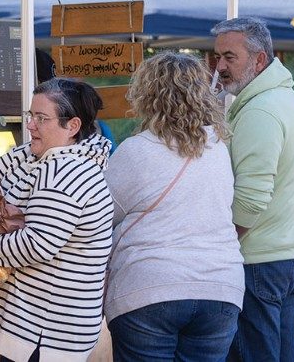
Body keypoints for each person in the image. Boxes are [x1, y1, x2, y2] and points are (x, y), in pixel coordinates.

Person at [0, 78, 112, 362]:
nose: (30, 125)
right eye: (30, 115)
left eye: (41, 118)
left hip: (47, 335)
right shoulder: (36, 155)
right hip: (33, 330)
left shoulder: (69, 172)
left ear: (72, 126)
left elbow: (36, 245)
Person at [105, 52, 243, 361]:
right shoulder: (218, 148)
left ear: (147, 94)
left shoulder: (136, 151)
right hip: (219, 286)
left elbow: (102, 215)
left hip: (149, 288)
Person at [212, 17, 294, 362]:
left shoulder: (261, 110)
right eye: (217, 57)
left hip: (259, 264)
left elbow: (251, 200)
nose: (219, 67)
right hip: (283, 259)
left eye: (229, 57)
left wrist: (221, 246)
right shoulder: (281, 98)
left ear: (258, 60)